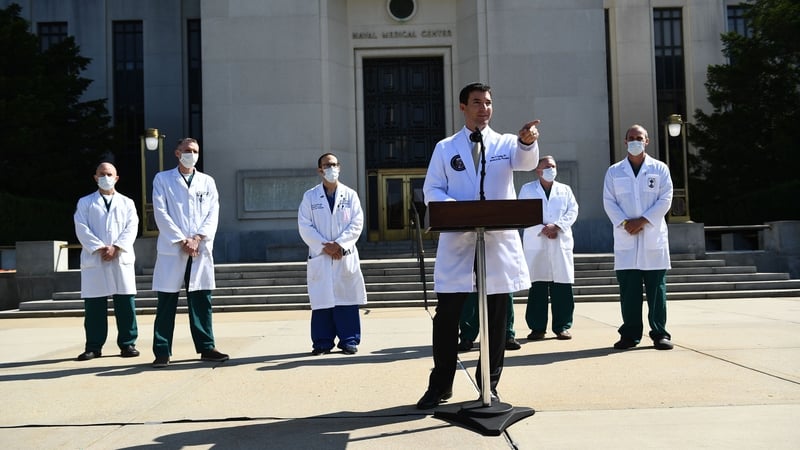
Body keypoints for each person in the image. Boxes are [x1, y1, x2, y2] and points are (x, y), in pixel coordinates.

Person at [416, 82, 540, 409]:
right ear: (462, 107)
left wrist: (527, 143)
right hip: (459, 242)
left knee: (497, 319)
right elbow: (433, 189)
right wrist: (456, 209)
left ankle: (490, 385)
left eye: (488, 103)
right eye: (476, 102)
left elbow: (525, 162)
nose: (484, 108)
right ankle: (440, 385)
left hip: (496, 243)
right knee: (447, 318)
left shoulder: (504, 144)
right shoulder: (445, 148)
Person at [150, 138, 229, 367]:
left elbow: (213, 213)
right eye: (186, 150)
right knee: (166, 300)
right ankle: (162, 350)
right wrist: (181, 239)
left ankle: (206, 347)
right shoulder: (163, 179)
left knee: (202, 299)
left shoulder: (207, 181)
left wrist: (197, 238)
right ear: (177, 153)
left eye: (194, 151)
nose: (191, 154)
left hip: (200, 248)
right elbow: (160, 211)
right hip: (173, 248)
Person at [602, 124, 674, 351]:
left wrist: (642, 221)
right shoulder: (614, 171)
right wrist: (625, 223)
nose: (635, 141)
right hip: (626, 238)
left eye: (639, 138)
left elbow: (665, 199)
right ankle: (630, 334)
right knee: (629, 291)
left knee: (656, 290)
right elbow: (609, 201)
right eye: (631, 138)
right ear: (625, 142)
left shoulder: (659, 169)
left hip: (652, 237)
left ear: (647, 141)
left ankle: (660, 333)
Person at [298, 152, 368, 355]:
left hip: (343, 255)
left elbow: (357, 223)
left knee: (346, 299)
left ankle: (349, 340)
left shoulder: (350, 195)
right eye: (327, 165)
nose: (332, 168)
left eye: (335, 164)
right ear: (320, 170)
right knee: (322, 301)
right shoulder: (310, 196)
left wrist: (338, 245)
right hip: (321, 256)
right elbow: (304, 225)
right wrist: (324, 246)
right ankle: (322, 342)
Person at [73, 162, 140, 360]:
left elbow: (132, 227)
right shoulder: (85, 202)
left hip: (120, 258)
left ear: (117, 178)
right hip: (96, 258)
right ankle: (93, 346)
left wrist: (116, 247)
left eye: (109, 174)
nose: (105, 177)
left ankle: (128, 344)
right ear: (95, 177)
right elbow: (81, 227)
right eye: (101, 174)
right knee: (94, 306)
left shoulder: (127, 203)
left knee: (125, 303)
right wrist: (101, 247)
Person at [519, 155, 579, 341]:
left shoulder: (565, 190)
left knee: (562, 285)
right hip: (537, 242)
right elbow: (522, 213)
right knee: (538, 286)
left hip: (560, 241)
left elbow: (573, 210)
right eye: (547, 166)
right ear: (538, 170)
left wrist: (557, 226)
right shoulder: (527, 189)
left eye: (553, 166)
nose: (551, 169)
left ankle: (562, 326)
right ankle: (537, 328)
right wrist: (543, 229)